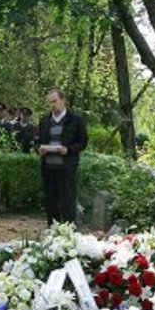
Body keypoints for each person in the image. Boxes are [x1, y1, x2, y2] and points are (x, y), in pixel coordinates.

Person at [37, 88, 88, 225]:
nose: (53, 105)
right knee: (50, 201)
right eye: (50, 103)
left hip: (66, 167)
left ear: (62, 100)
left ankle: (68, 231)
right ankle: (52, 230)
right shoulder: (44, 121)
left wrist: (69, 149)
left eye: (55, 101)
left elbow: (83, 142)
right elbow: (37, 140)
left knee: (67, 200)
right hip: (48, 167)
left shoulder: (75, 120)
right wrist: (39, 149)